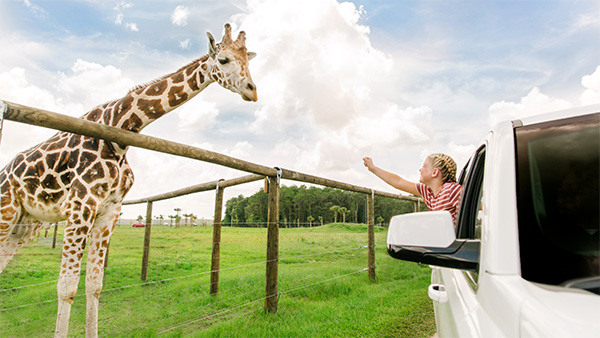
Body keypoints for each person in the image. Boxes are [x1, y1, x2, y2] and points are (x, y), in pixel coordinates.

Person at [362, 153, 462, 225]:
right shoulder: (428, 191)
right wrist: (373, 168)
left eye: (424, 166)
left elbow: (475, 204)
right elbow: (398, 182)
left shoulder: (451, 190)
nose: (420, 170)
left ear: (434, 172)